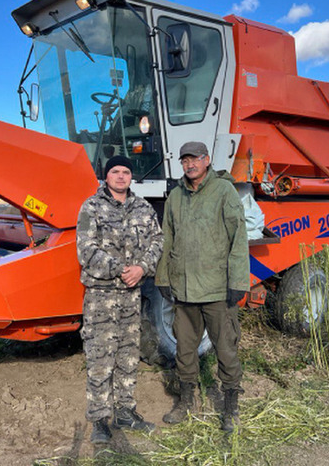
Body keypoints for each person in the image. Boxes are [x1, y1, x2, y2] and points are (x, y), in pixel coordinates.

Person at [155, 141, 250, 433]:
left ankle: (230, 406)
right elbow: (167, 238)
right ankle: (186, 402)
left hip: (217, 290)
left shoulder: (224, 192)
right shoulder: (175, 196)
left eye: (195, 159)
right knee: (184, 349)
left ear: (207, 160)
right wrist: (162, 277)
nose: (190, 164)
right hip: (183, 290)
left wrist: (237, 283)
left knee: (226, 349)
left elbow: (238, 239)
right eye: (184, 160)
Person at [76, 155, 163, 443]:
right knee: (100, 358)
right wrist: (121, 270)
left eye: (126, 172)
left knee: (128, 356)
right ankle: (100, 421)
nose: (121, 176)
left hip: (131, 295)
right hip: (101, 296)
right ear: (106, 176)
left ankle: (125, 413)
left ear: (131, 177)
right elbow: (85, 250)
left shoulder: (144, 208)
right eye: (116, 171)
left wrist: (142, 268)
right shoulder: (91, 207)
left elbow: (157, 242)